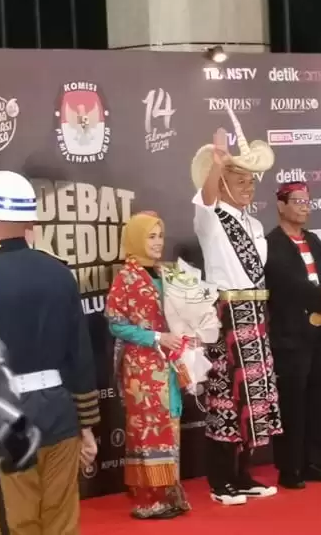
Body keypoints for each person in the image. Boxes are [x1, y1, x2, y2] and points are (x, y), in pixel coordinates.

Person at [0, 170, 99, 534]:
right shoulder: (60, 273)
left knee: (15, 526)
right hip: (61, 414)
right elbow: (80, 355)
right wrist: (86, 425)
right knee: (61, 525)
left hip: (6, 420)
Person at [189, 110, 283, 504]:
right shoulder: (211, 220)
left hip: (256, 316)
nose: (247, 188)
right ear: (223, 182)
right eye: (239, 180)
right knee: (226, 398)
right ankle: (220, 481)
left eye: (251, 181)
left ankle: (243, 474)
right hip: (227, 316)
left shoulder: (254, 225)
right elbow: (207, 198)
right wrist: (217, 162)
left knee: (254, 398)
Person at [106, 211, 215, 519]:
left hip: (170, 363)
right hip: (142, 368)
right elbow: (116, 325)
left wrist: (191, 331)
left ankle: (169, 493)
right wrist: (156, 336)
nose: (157, 243)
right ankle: (149, 499)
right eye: (150, 237)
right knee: (147, 431)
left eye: (160, 236)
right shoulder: (126, 278)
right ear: (136, 239)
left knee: (170, 424)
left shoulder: (166, 272)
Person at [264, 182, 321, 490]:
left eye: (307, 201)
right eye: (297, 201)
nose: (304, 206)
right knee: (292, 402)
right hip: (290, 335)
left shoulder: (313, 241)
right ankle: (290, 468)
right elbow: (284, 282)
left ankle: (315, 461)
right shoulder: (272, 244)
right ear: (281, 206)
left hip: (320, 333)